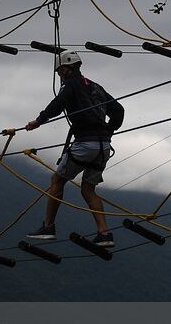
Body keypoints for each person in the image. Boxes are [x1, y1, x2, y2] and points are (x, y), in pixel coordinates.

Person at [24, 50, 124, 247]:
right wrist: (109, 130)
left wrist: (39, 121)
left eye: (60, 72)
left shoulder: (70, 84)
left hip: (85, 144)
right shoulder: (95, 86)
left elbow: (57, 104)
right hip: (103, 146)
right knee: (88, 189)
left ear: (65, 69)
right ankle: (104, 234)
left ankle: (48, 227)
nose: (60, 75)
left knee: (57, 180)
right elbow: (118, 110)